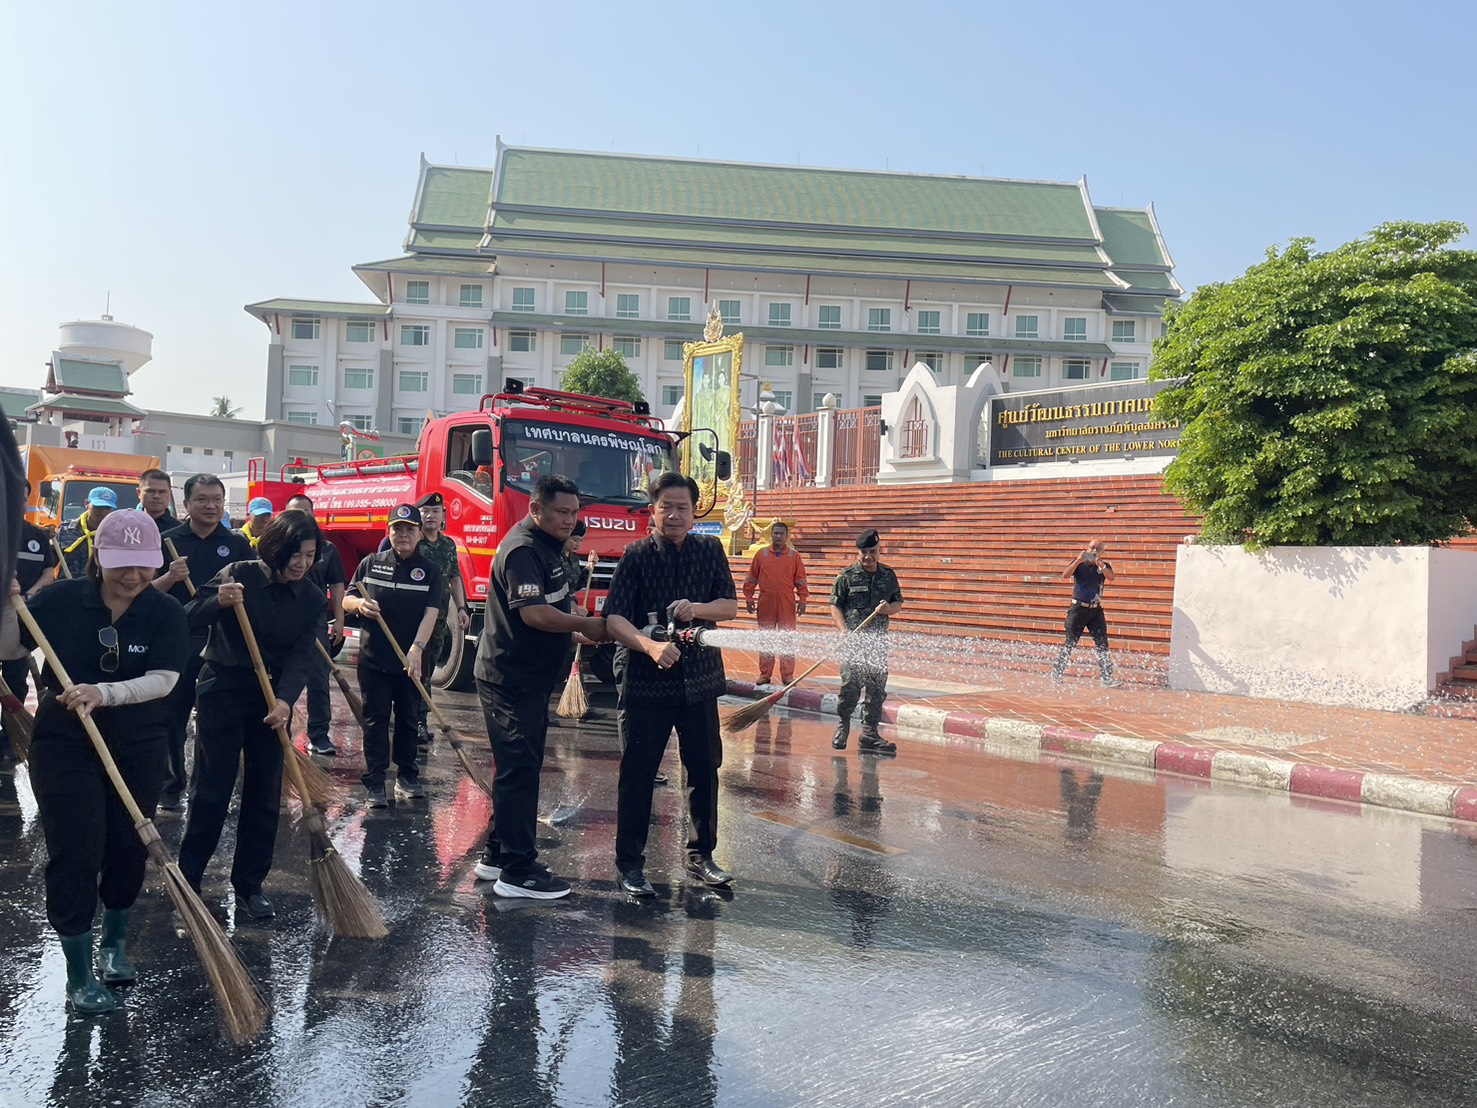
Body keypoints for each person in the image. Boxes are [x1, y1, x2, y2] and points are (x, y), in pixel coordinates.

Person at [19, 509, 189, 1014]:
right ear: (99, 557)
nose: (132, 575)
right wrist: (7, 607)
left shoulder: (164, 612)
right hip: (64, 740)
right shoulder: (58, 601)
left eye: (141, 564)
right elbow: (10, 644)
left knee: (127, 844)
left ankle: (113, 944)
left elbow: (165, 679)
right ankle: (78, 973)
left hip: (137, 740)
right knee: (76, 849)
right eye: (121, 564)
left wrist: (103, 692)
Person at [177, 511, 326, 920]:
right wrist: (217, 601)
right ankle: (189, 876)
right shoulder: (238, 573)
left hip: (271, 699)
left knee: (263, 795)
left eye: (310, 555)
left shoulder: (312, 598)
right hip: (223, 688)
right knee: (212, 787)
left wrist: (284, 701)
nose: (301, 564)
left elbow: (302, 657)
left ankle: (249, 885)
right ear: (276, 548)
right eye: (295, 554)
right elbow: (187, 616)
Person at [472, 475, 607, 899]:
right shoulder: (523, 549)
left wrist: (573, 632)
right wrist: (584, 624)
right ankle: (518, 872)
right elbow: (533, 614)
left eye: (574, 511)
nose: (570, 520)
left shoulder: (548, 546)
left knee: (518, 767)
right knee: (519, 771)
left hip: (529, 677)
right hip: (509, 677)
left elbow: (553, 609)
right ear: (537, 510)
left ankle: (496, 855)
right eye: (561, 512)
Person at [604, 472, 739, 898]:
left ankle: (702, 857)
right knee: (639, 775)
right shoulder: (636, 556)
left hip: (698, 682)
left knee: (704, 768)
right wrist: (649, 647)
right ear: (653, 510)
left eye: (683, 507)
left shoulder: (710, 550)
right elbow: (614, 619)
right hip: (646, 684)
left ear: (695, 511)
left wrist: (696, 608)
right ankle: (630, 864)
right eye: (667, 507)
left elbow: (730, 606)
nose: (675, 514)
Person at [155, 475, 254, 810]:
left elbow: (253, 590)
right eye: (202, 500)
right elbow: (142, 593)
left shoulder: (238, 545)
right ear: (186, 505)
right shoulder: (167, 541)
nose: (211, 506)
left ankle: (207, 785)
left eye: (217, 499)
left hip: (223, 643)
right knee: (172, 715)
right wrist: (170, 576)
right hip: (177, 641)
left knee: (216, 719)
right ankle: (171, 784)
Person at [344, 504, 443, 808]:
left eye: (409, 530)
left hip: (411, 661)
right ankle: (375, 781)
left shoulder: (430, 571)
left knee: (409, 719)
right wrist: (360, 606)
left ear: (418, 534)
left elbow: (432, 613)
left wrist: (417, 650)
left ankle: (407, 775)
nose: (403, 535)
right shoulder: (371, 564)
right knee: (375, 721)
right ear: (389, 532)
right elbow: (346, 599)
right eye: (397, 529)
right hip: (374, 659)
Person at [829, 529, 904, 756]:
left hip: (878, 644)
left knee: (876, 690)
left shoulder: (888, 575)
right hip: (854, 643)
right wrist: (843, 631)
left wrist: (887, 609)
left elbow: (897, 603)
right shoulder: (846, 576)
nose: (868, 556)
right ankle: (843, 727)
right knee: (850, 687)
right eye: (864, 552)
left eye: (873, 551)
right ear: (858, 552)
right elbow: (835, 605)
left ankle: (869, 734)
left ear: (880, 550)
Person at [285, 493, 346, 756]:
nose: (303, 517)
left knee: (319, 679)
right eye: (296, 512)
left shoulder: (327, 548)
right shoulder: (279, 546)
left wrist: (340, 621)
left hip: (316, 620)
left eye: (306, 512)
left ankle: (319, 735)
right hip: (283, 619)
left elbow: (337, 586)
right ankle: (281, 733)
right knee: (280, 677)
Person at [0, 482, 56, 761]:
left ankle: (9, 739)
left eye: (22, 499)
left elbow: (49, 571)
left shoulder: (36, 535)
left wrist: (31, 591)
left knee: (15, 679)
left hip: (22, 618)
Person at [409, 492, 470, 747]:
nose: (430, 516)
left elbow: (455, 578)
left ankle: (417, 718)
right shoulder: (413, 543)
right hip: (413, 618)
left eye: (435, 512)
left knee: (428, 668)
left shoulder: (448, 546)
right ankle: (416, 720)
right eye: (425, 512)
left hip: (440, 619)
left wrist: (463, 608)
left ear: (443, 516)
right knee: (415, 669)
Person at [743, 520, 809, 685]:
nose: (778, 536)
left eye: (781, 533)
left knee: (787, 638)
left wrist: (802, 599)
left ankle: (787, 675)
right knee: (766, 638)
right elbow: (751, 577)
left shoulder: (794, 556)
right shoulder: (761, 554)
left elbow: (800, 580)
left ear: (786, 536)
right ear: (770, 534)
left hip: (787, 601)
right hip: (766, 600)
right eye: (775, 533)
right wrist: (749, 597)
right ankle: (765, 674)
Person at [1050, 538, 1122, 688]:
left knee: (1102, 644)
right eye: (1091, 548)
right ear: (1086, 548)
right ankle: (1057, 672)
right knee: (1070, 642)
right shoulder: (1079, 564)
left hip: (1096, 610)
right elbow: (1065, 574)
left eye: (1098, 549)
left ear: (1102, 552)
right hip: (1078, 609)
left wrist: (1100, 565)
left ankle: (1107, 678)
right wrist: (1077, 561)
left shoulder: (1104, 566)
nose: (1094, 551)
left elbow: (1111, 577)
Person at [56, 487, 117, 579]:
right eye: (98, 507)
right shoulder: (66, 529)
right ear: (86, 503)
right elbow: (50, 562)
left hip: (100, 589)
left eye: (107, 508)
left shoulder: (116, 535)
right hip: (66, 587)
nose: (102, 511)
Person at [135, 468, 177, 533]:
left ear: (170, 494)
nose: (156, 496)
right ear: (139, 493)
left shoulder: (180, 531)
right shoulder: (127, 525)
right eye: (150, 491)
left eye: (162, 492)